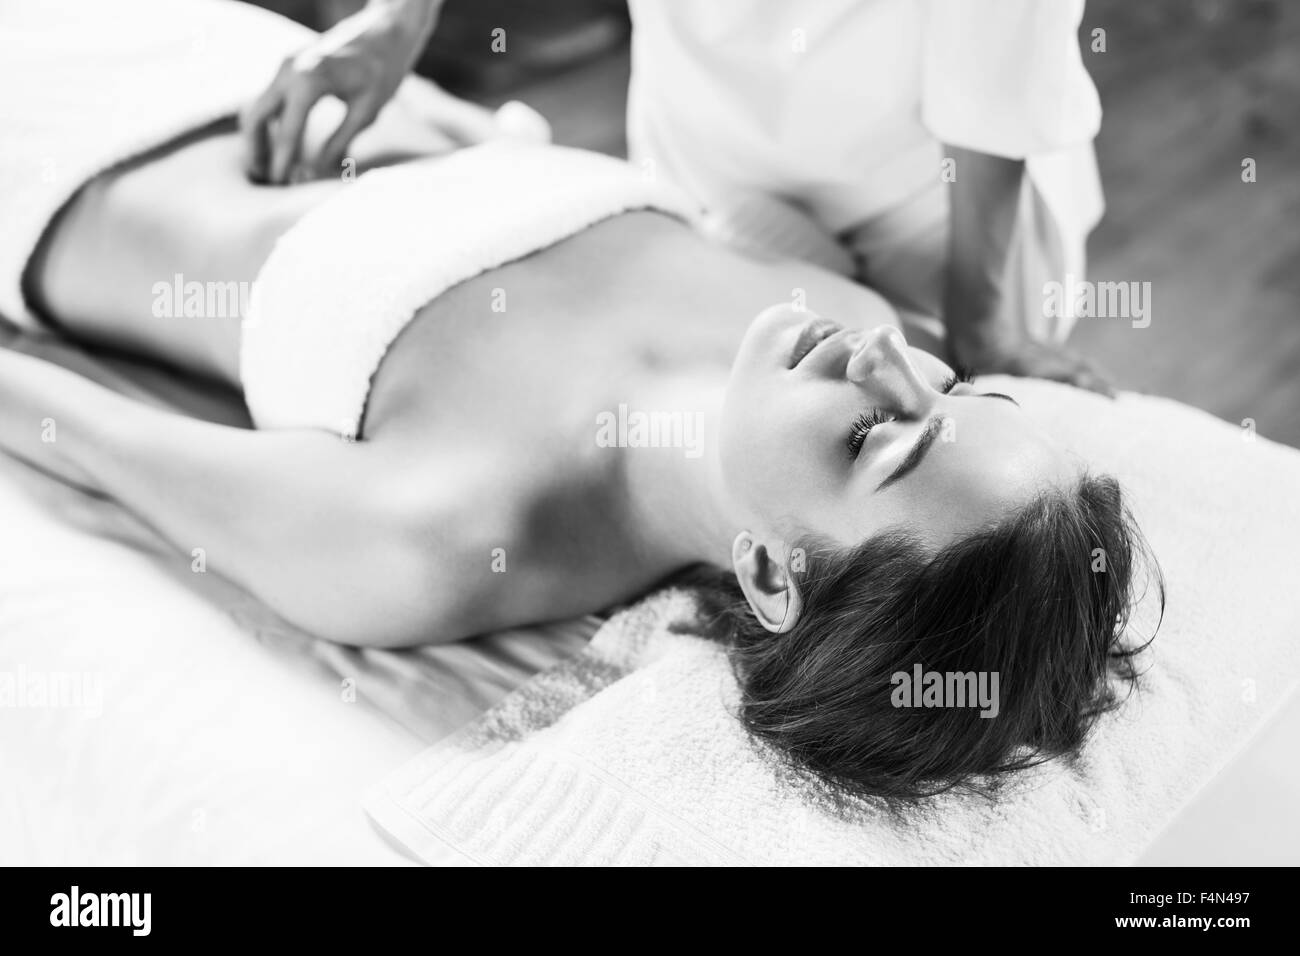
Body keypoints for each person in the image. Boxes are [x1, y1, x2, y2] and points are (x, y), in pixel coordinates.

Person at [0, 0, 1155, 800]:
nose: (889, 357)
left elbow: (78, 432)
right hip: (256, 55)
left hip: (51, 146)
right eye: (958, 385)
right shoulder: (813, 296)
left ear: (766, 572)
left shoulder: (449, 535)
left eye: (875, 439)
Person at [242, 0, 1112, 393]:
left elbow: (996, 67)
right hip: (711, 142)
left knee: (946, 388)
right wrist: (400, 18)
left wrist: (984, 327)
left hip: (934, 185)